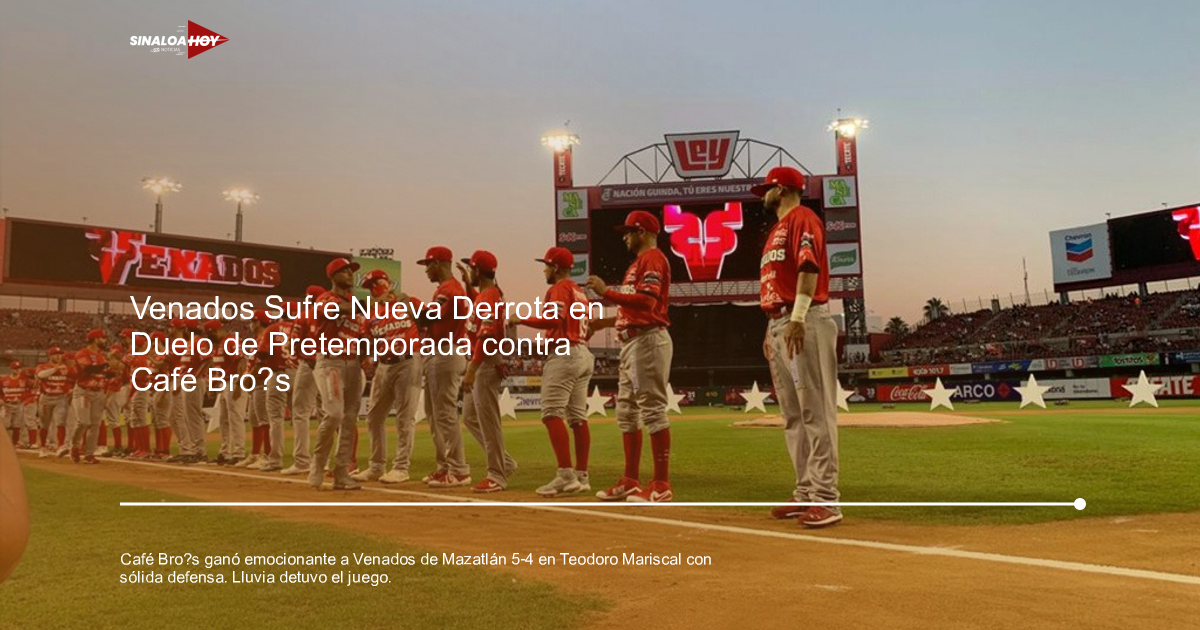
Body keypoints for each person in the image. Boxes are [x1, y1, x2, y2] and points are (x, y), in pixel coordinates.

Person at [753, 166, 842, 529]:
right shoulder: (776, 229)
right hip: (779, 322)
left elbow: (809, 267)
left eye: (767, 189)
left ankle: (826, 497)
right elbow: (780, 281)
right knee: (793, 416)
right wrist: (770, 328)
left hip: (803, 320)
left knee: (815, 411)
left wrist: (798, 316)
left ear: (781, 189)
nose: (763, 195)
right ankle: (805, 490)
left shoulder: (802, 217)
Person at [586, 210, 675, 502]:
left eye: (628, 231)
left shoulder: (653, 258)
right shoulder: (638, 263)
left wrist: (607, 292)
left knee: (652, 411)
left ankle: (661, 484)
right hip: (633, 341)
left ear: (641, 232)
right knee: (626, 413)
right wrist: (605, 322)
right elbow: (634, 308)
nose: (624, 237)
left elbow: (647, 302)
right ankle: (630, 480)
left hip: (647, 340)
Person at [512, 246, 595, 497]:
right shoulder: (580, 291)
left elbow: (553, 320)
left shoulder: (559, 288)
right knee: (578, 418)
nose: (544, 270)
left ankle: (565, 476)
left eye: (547, 266)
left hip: (565, 353)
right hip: (582, 352)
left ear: (556, 268)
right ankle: (582, 476)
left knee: (551, 413)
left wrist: (520, 319)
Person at [353, 270, 421, 484]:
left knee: (405, 417)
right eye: (370, 287)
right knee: (374, 416)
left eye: (376, 284)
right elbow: (366, 340)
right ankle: (376, 466)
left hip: (408, 360)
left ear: (388, 284)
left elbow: (429, 320)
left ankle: (401, 467)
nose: (374, 290)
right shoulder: (372, 315)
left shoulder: (409, 303)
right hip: (384, 364)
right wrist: (365, 360)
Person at [458, 250, 517, 493]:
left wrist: (472, 370)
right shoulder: (485, 295)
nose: (469, 272)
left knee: (488, 421)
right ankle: (504, 463)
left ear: (478, 271)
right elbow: (479, 308)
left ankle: (496, 475)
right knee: (470, 417)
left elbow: (487, 336)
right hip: (482, 362)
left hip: (485, 363)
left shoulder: (490, 296)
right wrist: (467, 285)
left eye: (471, 269)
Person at [308, 257, 367, 490]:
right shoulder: (326, 298)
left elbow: (362, 333)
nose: (350, 274)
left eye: (351, 271)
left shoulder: (355, 305)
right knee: (333, 415)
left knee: (350, 419)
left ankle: (342, 472)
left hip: (353, 363)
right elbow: (336, 310)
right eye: (344, 271)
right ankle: (317, 463)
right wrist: (369, 304)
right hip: (330, 361)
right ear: (332, 276)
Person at [416, 246, 472, 488]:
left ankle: (459, 470)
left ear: (438, 263)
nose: (426, 270)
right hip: (440, 352)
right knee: (434, 414)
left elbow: (428, 318)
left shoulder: (449, 289)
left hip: (445, 352)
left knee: (445, 414)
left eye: (428, 265)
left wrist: (408, 304)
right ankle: (445, 466)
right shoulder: (447, 289)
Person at [35, 347, 73, 458]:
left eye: (60, 354)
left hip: (61, 397)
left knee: (61, 422)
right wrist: (56, 369)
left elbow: (74, 377)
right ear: (50, 356)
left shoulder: (66, 368)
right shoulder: (43, 366)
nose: (58, 356)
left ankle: (60, 446)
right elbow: (40, 375)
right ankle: (43, 447)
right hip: (46, 398)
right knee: (44, 424)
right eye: (55, 354)